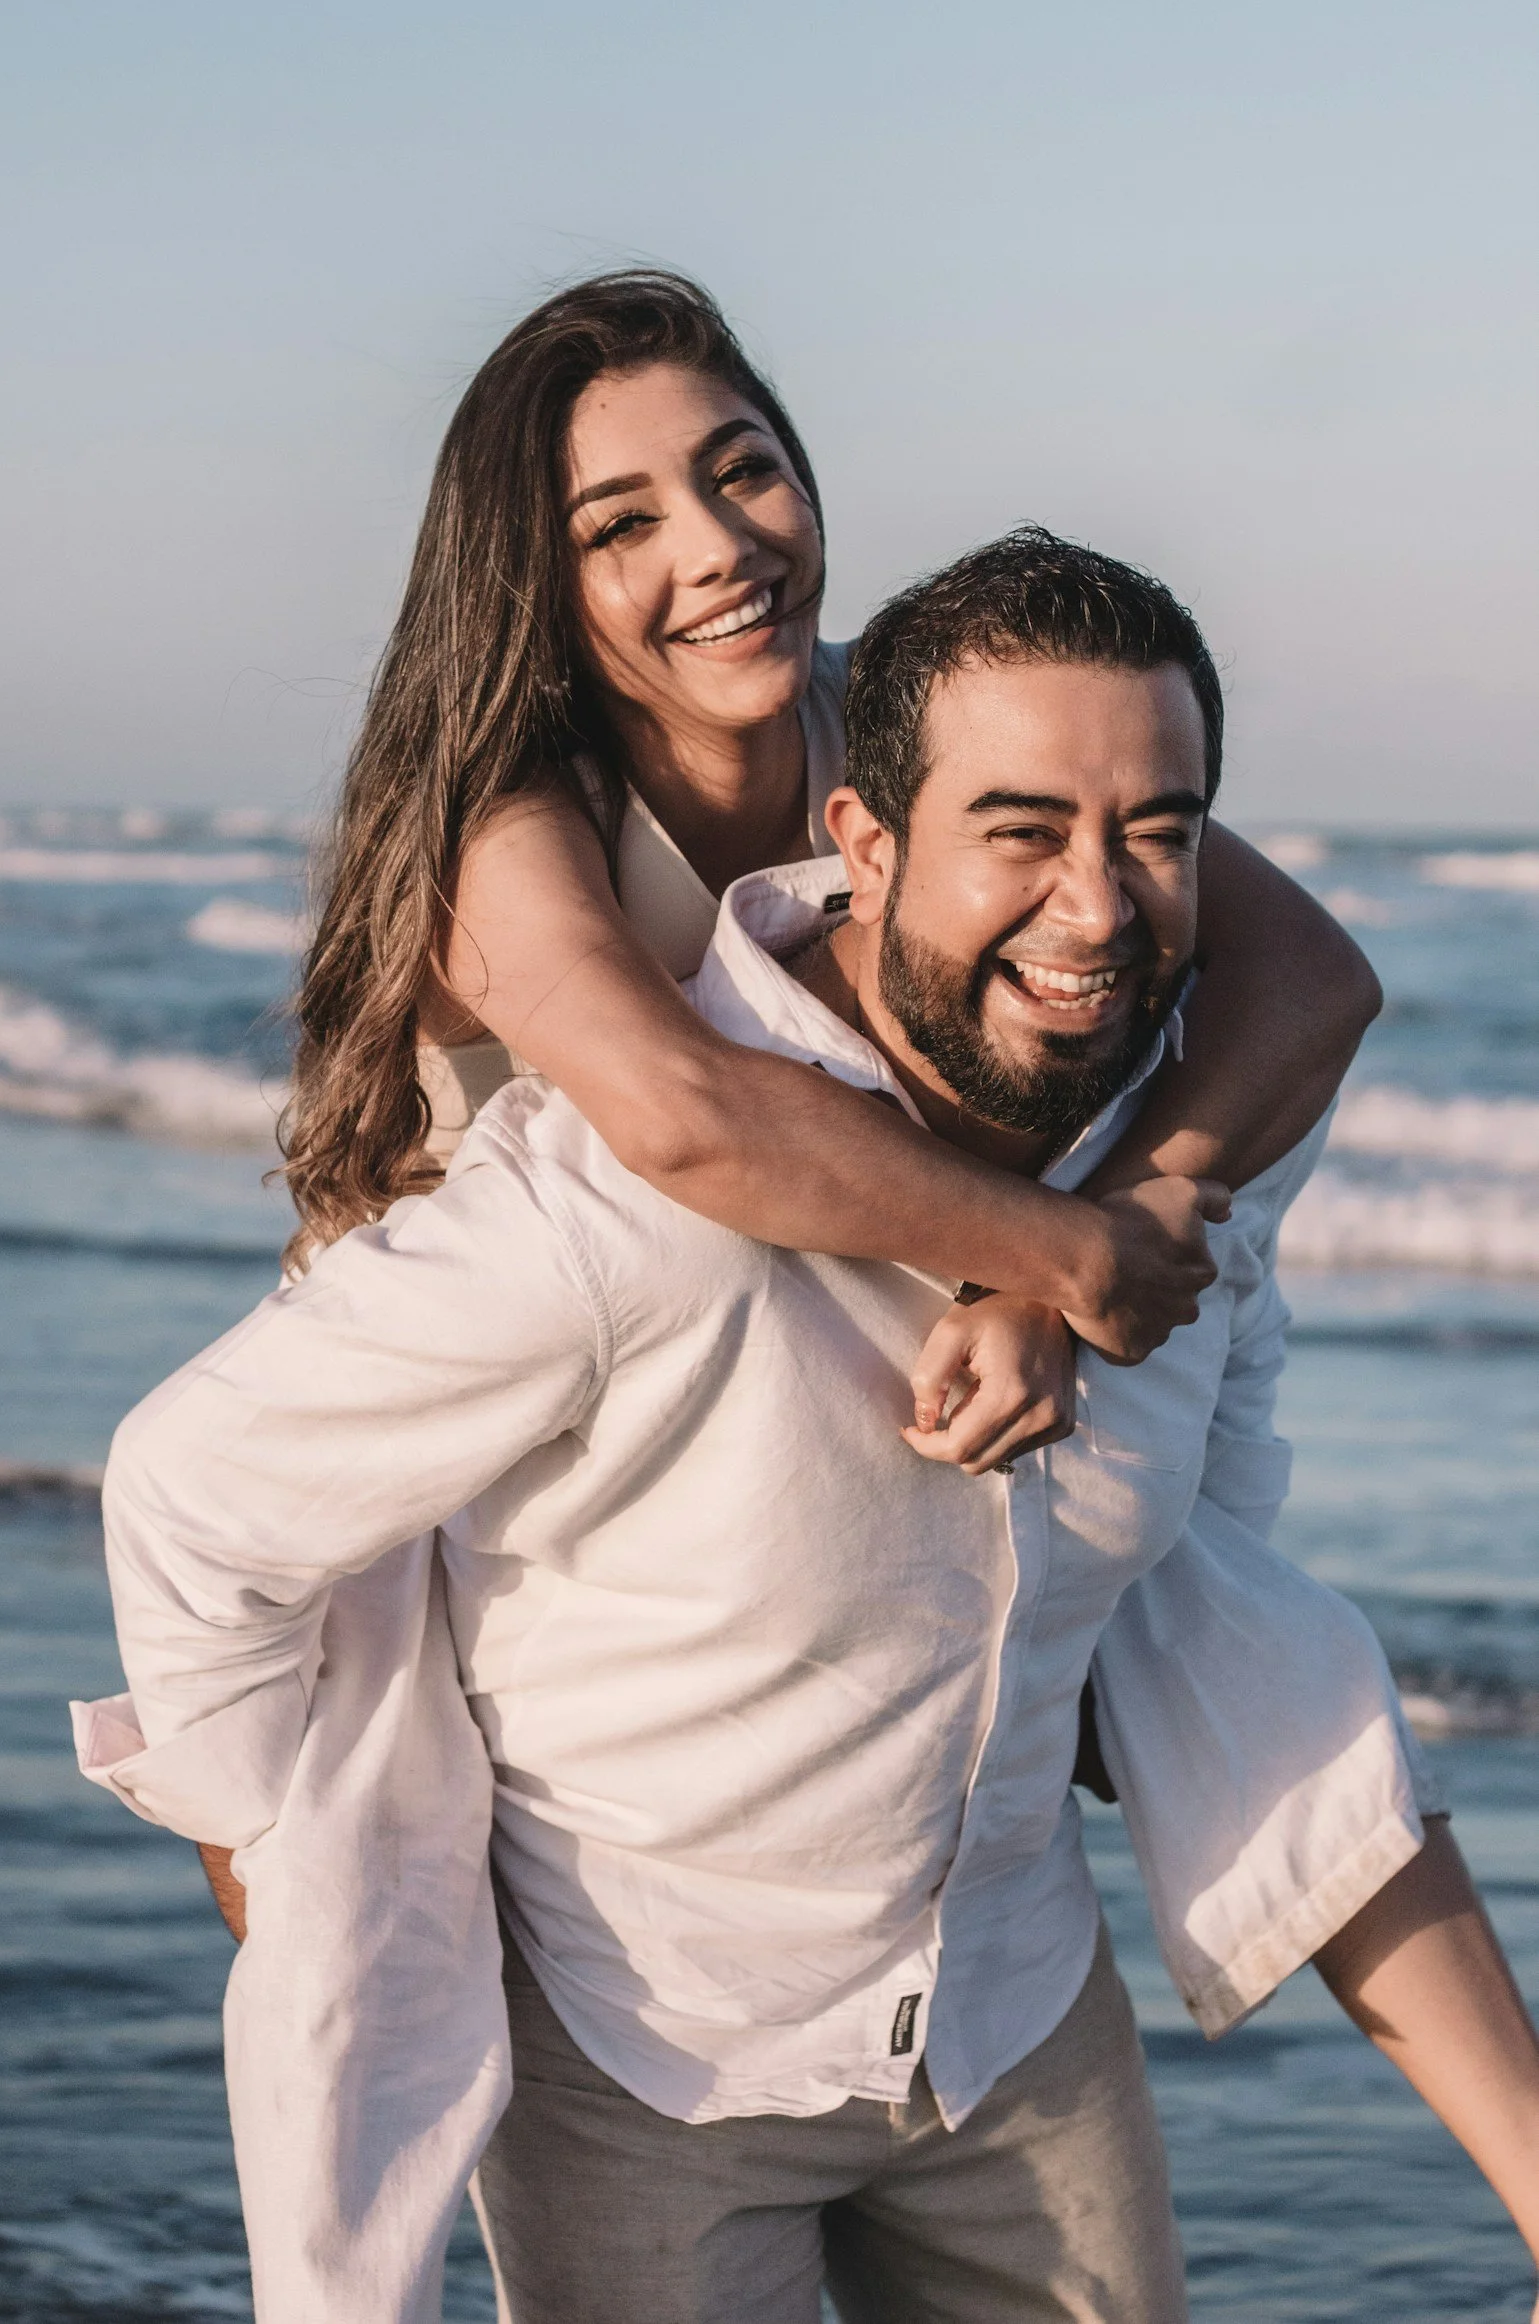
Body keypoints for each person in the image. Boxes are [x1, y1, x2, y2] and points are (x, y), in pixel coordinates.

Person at [75, 533, 1539, 2324]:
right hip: (649, 2075)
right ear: (860, 844)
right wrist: (275, 1862)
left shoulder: (1197, 1170)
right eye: (1019, 830)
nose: (1095, 907)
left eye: (1153, 834)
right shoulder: (618, 1205)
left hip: (1015, 2029)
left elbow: (1216, 1525)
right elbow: (188, 1493)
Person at [281, 270, 1378, 1481]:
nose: (719, 545)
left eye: (740, 469)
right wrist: (1066, 1259)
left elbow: (1308, 977)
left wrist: (1076, 1252)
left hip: (765, 1386)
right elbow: (685, 1116)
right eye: (621, 523)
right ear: (535, 577)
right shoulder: (509, 822)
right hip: (456, 1427)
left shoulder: (901, 716)